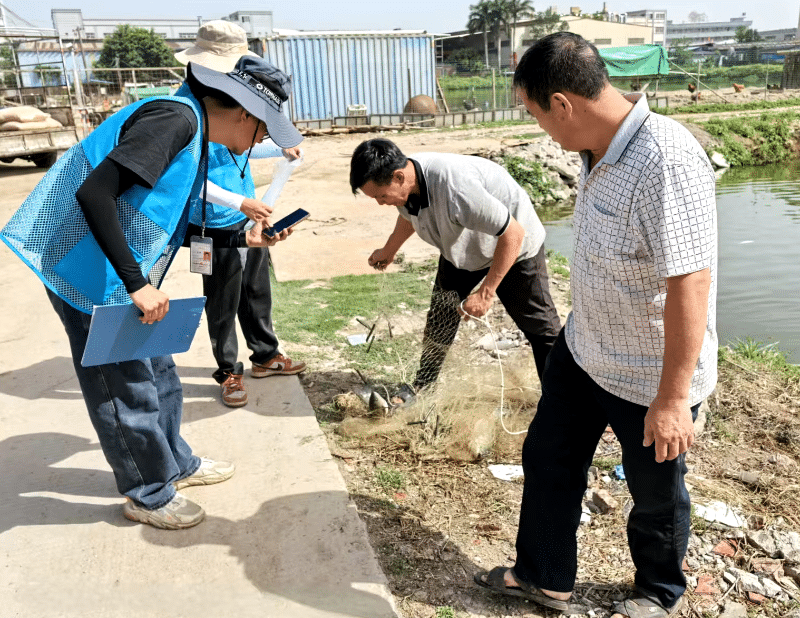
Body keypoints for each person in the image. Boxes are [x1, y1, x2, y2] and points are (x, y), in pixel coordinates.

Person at [0, 55, 303, 529]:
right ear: (244, 111)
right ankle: (148, 492)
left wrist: (237, 238)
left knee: (161, 375)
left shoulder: (192, 126)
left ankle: (175, 464)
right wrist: (136, 284)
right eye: (266, 129)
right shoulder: (173, 120)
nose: (264, 140)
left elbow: (163, 217)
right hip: (86, 270)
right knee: (124, 387)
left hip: (116, 268)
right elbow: (95, 194)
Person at [474, 33, 717, 618]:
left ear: (563, 104)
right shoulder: (595, 148)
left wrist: (673, 398)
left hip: (649, 373)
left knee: (655, 493)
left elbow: (690, 283)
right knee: (550, 457)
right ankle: (544, 576)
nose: (541, 130)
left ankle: (658, 594)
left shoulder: (666, 159)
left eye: (535, 114)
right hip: (585, 350)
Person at [349, 138, 561, 398]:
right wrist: (389, 250)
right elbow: (408, 216)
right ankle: (423, 387)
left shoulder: (456, 189)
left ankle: (562, 402)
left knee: (541, 329)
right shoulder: (406, 186)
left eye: (381, 196)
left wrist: (486, 292)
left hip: (514, 249)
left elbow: (513, 234)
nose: (380, 202)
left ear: (399, 176)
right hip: (462, 250)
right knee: (440, 318)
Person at [175, 21, 306, 409]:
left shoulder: (234, 98)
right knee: (222, 302)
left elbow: (238, 150)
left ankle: (265, 355)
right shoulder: (186, 110)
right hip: (212, 224)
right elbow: (183, 178)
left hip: (248, 218)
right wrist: (239, 203)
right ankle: (228, 371)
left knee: (256, 291)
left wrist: (278, 151)